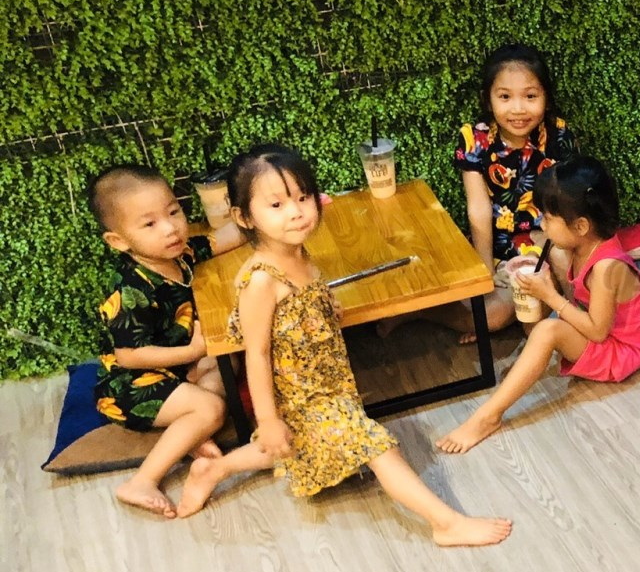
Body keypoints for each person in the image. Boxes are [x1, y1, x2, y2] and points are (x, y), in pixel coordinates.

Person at [176, 144, 512, 548]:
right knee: (375, 445)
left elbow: (302, 304)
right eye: (277, 204)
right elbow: (257, 353)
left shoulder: (298, 253)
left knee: (292, 446)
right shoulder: (261, 280)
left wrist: (323, 306)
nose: (296, 212)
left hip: (330, 381)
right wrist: (268, 418)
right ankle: (445, 523)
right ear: (244, 217)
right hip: (302, 396)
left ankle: (213, 469)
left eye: (303, 197)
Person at [437, 157, 640, 453]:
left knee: (547, 331)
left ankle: (488, 416)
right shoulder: (579, 248)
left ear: (581, 225)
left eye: (549, 218)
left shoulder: (606, 268)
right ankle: (517, 377)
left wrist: (551, 297)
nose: (541, 224)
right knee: (540, 327)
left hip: (621, 351)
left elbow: (598, 332)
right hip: (597, 330)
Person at [89, 164, 246, 517]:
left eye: (173, 211)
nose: (170, 227)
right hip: (129, 384)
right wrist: (193, 350)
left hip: (176, 367)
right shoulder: (131, 290)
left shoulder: (180, 254)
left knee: (225, 362)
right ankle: (142, 481)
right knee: (212, 408)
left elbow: (223, 239)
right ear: (118, 241)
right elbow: (129, 357)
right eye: (149, 224)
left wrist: (262, 215)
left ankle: (191, 434)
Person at [452, 43, 579, 342]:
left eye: (530, 96)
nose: (518, 109)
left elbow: (575, 198)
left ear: (546, 97)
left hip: (548, 242)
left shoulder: (558, 134)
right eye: (505, 97)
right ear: (488, 99)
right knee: (493, 314)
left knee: (547, 281)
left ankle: (580, 320)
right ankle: (418, 313)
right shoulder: (476, 139)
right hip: (499, 250)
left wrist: (603, 248)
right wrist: (484, 270)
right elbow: (478, 209)